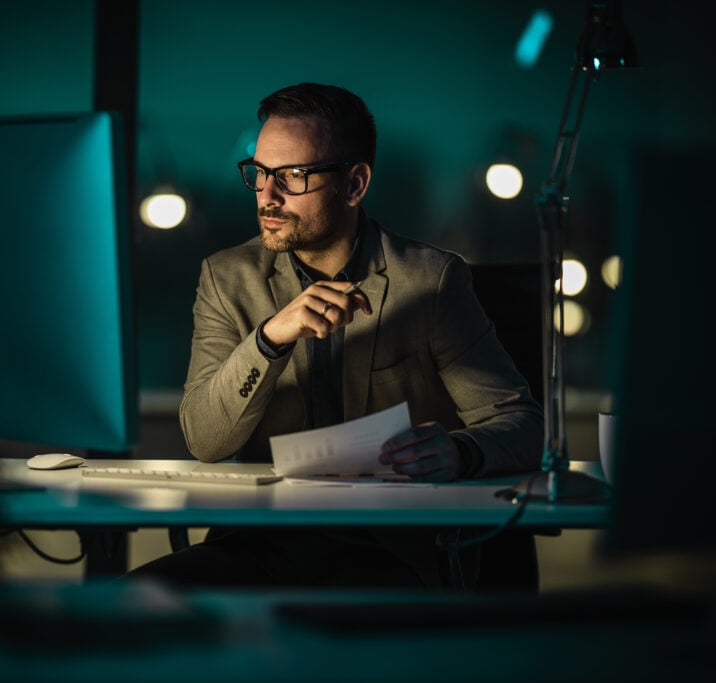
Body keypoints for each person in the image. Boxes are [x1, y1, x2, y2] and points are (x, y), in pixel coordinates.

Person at [129, 82, 543, 589]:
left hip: (386, 550)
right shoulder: (226, 277)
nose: (267, 196)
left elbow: (522, 425)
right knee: (127, 604)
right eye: (259, 173)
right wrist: (270, 338)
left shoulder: (429, 281)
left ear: (354, 184)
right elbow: (205, 440)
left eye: (293, 176)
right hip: (258, 543)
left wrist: (460, 451)